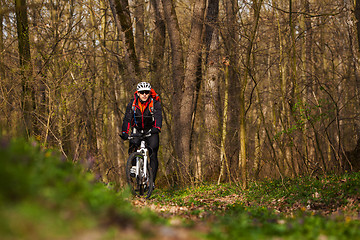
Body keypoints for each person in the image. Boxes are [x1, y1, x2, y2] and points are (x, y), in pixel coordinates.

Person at [120, 82, 162, 186]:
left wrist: (157, 128)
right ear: (138, 93)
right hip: (137, 129)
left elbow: (158, 116)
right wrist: (125, 132)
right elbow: (127, 119)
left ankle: (151, 181)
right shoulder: (132, 104)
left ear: (149, 93)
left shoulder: (154, 103)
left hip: (151, 130)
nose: (144, 95)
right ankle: (134, 166)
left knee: (153, 152)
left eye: (146, 93)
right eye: (142, 92)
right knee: (133, 145)